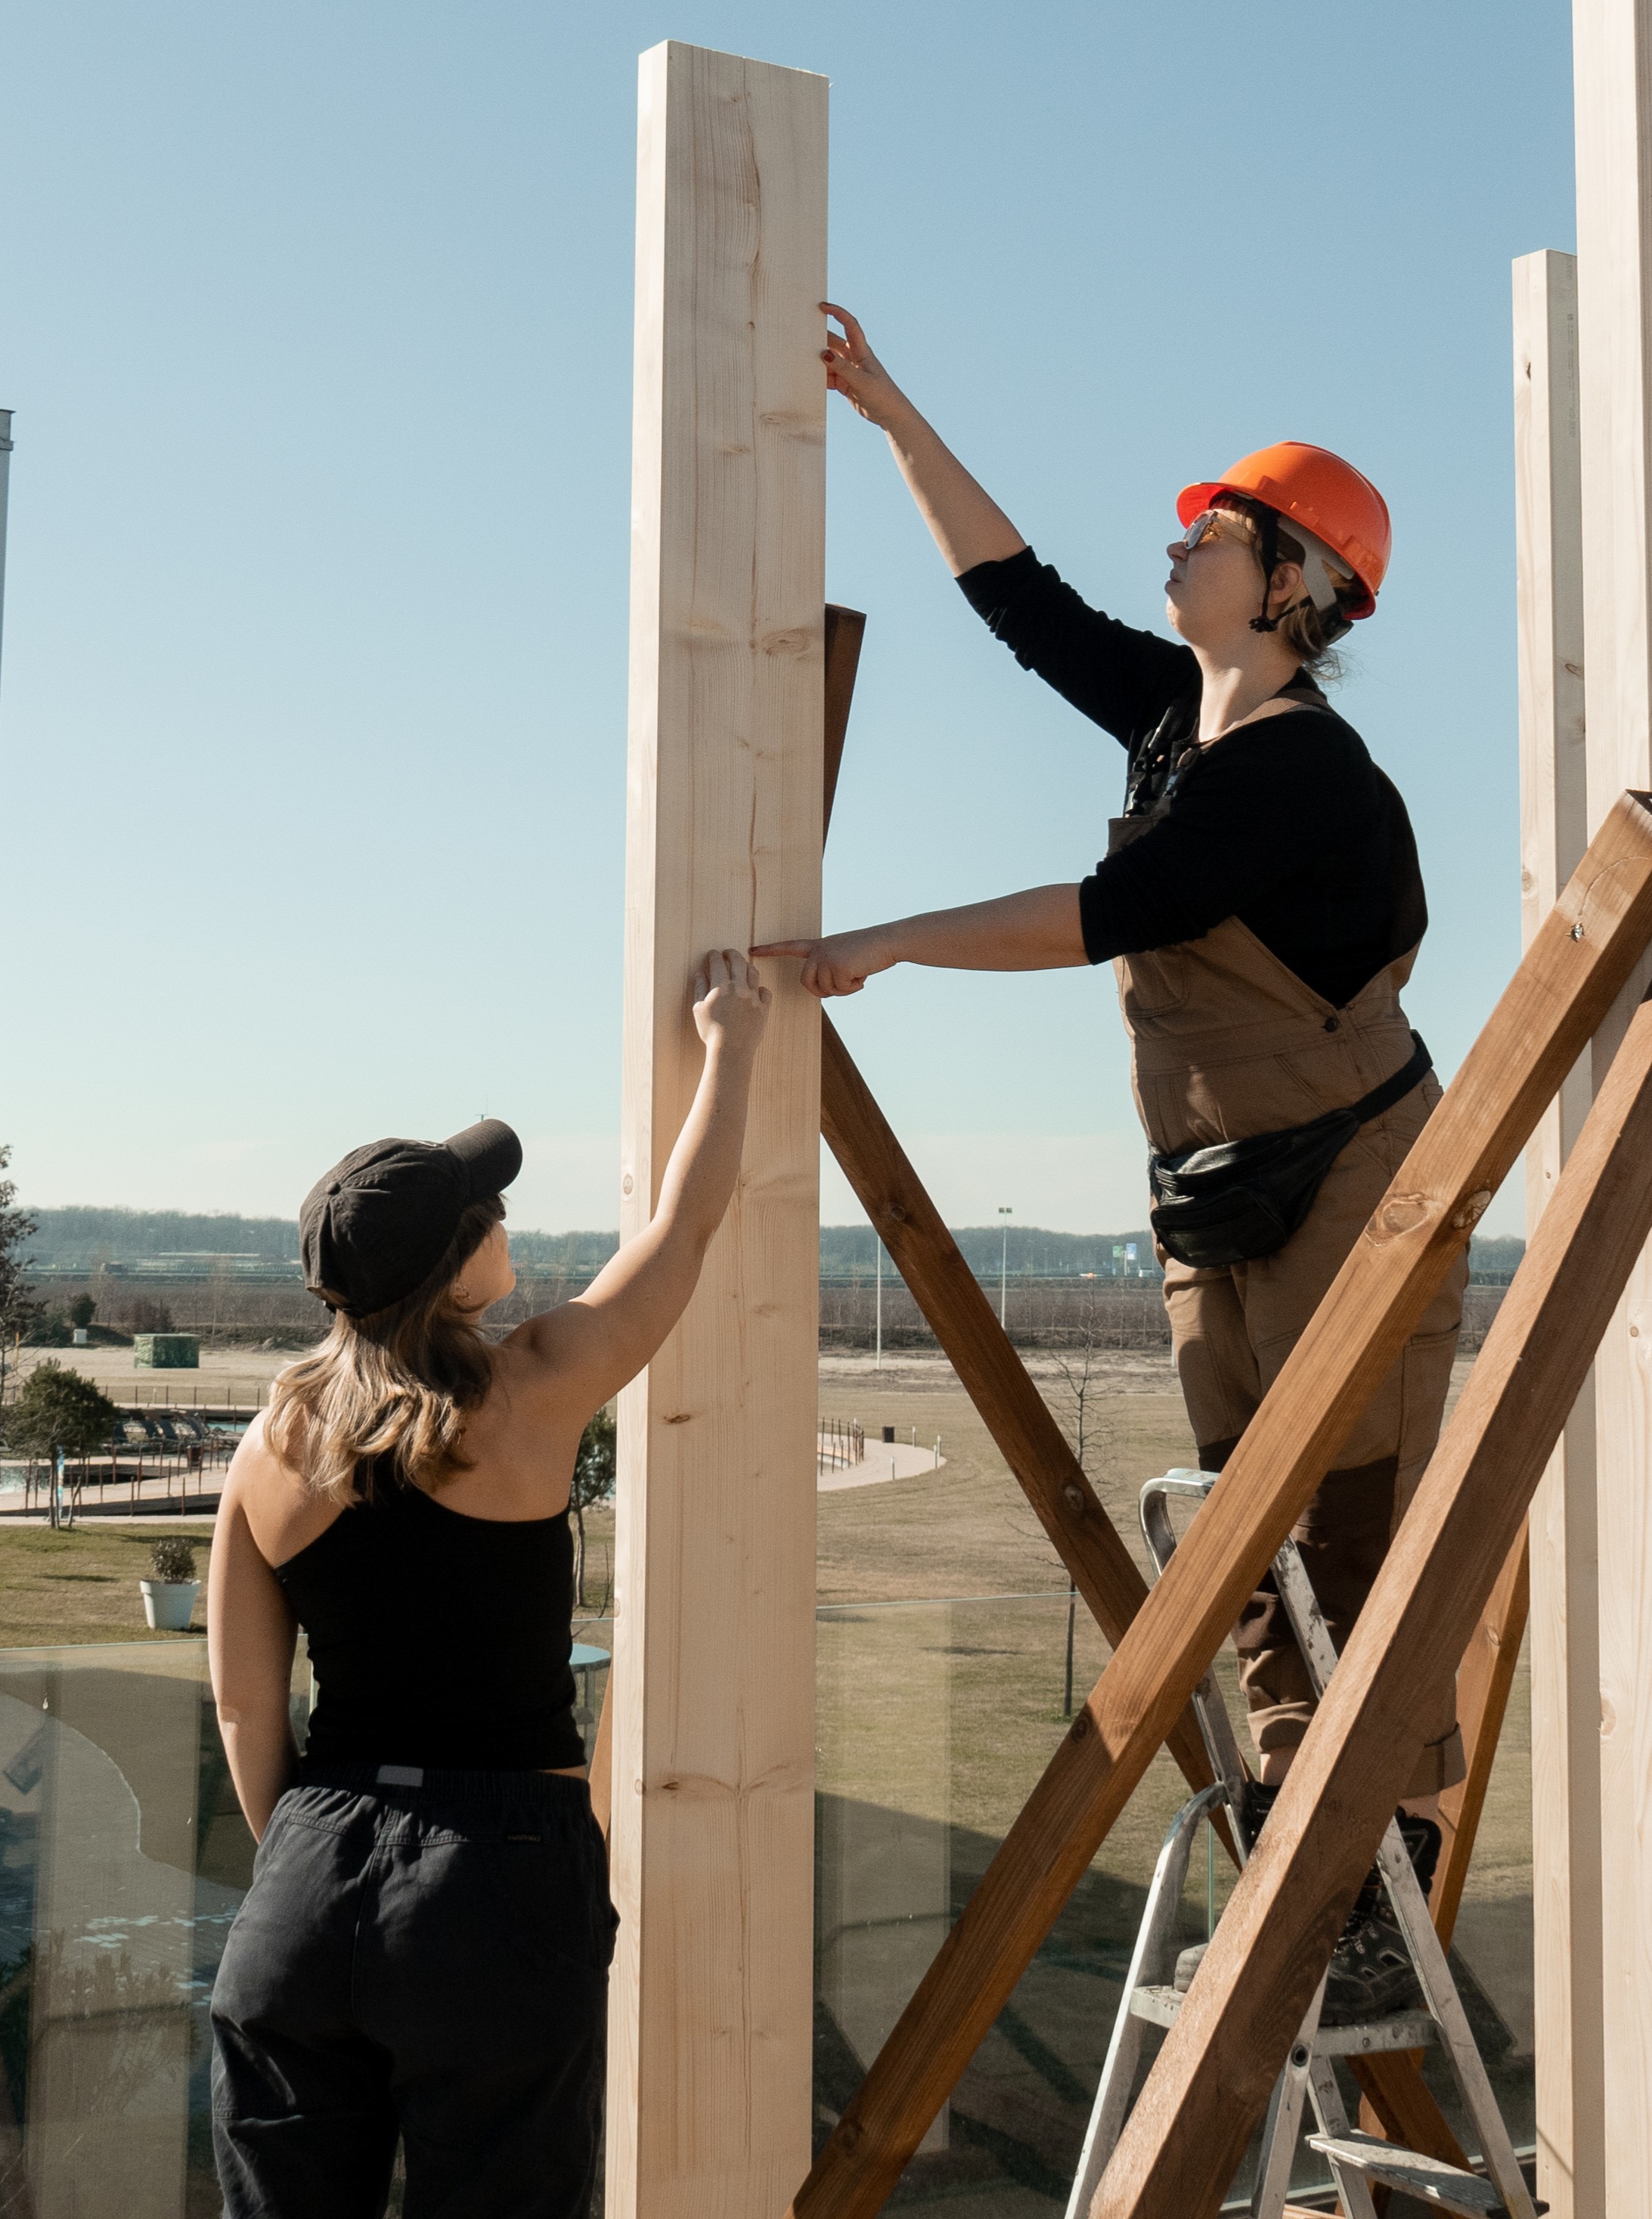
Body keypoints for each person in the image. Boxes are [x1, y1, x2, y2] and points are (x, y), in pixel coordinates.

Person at [759, 308, 1466, 2007]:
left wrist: (889, 941)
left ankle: (1391, 1890)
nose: (1177, 546)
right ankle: (1320, 1867)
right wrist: (884, 403)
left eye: (1213, 532)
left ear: (1295, 584)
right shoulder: (1176, 719)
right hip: (1221, 1189)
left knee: (1348, 1530)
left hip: (1354, 1187)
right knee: (1243, 1530)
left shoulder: (1306, 773)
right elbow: (1022, 603)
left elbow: (1115, 912)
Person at [206, 950, 772, 2219]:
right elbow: (682, 1232)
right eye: (491, 1213)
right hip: (496, 1884)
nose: (508, 1221)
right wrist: (732, 1045)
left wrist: (315, 1864)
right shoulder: (530, 1389)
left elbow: (250, 1713)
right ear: (463, 1264)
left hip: (302, 1890)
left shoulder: (268, 1443)